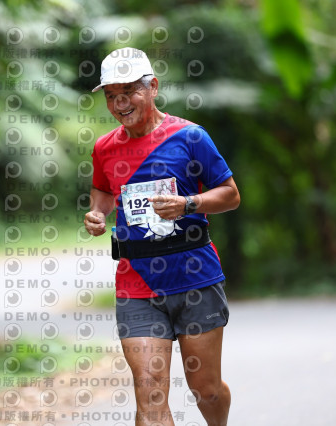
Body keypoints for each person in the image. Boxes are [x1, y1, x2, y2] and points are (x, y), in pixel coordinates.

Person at [84, 47, 240, 426]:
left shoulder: (190, 137)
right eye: (111, 96)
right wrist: (98, 213)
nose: (120, 103)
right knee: (150, 391)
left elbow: (230, 195)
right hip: (136, 283)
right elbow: (103, 190)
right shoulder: (104, 148)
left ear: (152, 87)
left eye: (129, 92)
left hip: (194, 277)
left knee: (206, 389)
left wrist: (188, 204)